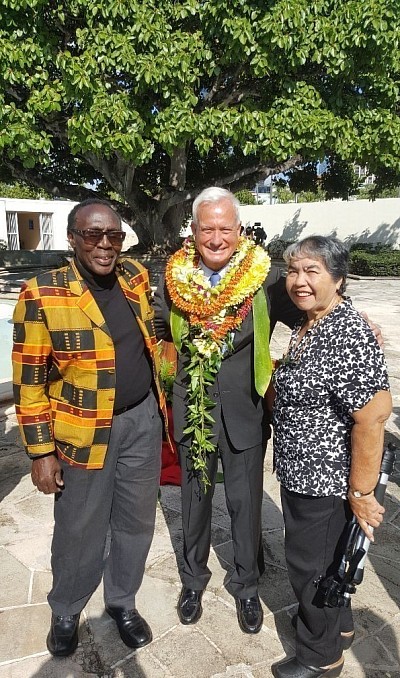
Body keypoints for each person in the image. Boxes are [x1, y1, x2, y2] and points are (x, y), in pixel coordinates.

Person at [12, 199, 167, 657]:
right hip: (81, 429)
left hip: (141, 419)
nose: (105, 245)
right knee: (79, 527)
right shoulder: (42, 294)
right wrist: (41, 453)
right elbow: (30, 383)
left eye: (114, 236)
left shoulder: (135, 277)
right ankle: (66, 608)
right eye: (93, 235)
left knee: (136, 522)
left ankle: (122, 600)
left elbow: (164, 324)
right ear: (72, 239)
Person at [153, 187, 307, 634]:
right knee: (194, 506)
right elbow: (156, 331)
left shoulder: (262, 281)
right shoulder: (172, 279)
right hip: (194, 412)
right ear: (194, 232)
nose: (216, 237)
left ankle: (246, 588)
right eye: (207, 228)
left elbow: (311, 307)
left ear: (238, 231)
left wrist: (358, 317)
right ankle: (192, 582)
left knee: (246, 507)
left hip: (244, 415)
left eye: (225, 228)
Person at [268, 236, 392, 678]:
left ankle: (320, 657)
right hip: (305, 473)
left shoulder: (347, 333)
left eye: (312, 271)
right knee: (329, 563)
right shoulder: (313, 323)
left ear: (338, 279)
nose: (299, 282)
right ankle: (335, 628)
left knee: (310, 566)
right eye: (294, 271)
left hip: (325, 479)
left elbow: (374, 416)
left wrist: (361, 492)